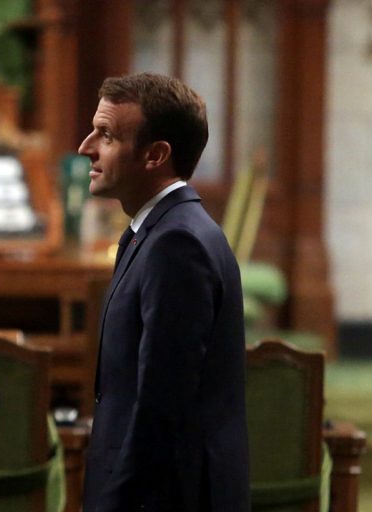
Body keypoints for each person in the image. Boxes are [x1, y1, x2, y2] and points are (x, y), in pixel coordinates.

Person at [79, 73, 250, 512]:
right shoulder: (156, 231)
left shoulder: (177, 244)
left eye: (107, 136)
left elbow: (162, 404)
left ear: (155, 155)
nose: (86, 148)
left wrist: (118, 500)